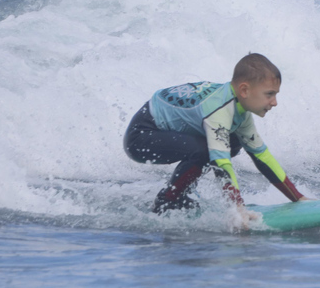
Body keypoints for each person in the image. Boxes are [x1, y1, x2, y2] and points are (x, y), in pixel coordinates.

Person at [123, 53, 308, 227]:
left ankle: (179, 194)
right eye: (269, 94)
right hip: (141, 136)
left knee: (232, 142)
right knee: (208, 150)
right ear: (244, 90)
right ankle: (168, 201)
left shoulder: (239, 111)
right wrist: (237, 207)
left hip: (164, 128)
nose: (275, 102)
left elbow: (262, 157)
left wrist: (298, 198)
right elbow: (221, 161)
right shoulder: (219, 111)